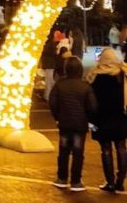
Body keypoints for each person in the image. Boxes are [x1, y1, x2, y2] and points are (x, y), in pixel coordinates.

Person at [49, 56, 97, 192]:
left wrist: (57, 117)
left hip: (64, 123)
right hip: (79, 125)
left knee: (63, 151)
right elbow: (92, 106)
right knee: (78, 153)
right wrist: (88, 119)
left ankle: (62, 178)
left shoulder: (59, 85)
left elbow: (52, 103)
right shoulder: (85, 86)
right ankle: (76, 181)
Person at [87, 48, 127, 193]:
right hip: (121, 116)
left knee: (106, 150)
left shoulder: (95, 75)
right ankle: (121, 181)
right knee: (121, 147)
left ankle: (109, 182)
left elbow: (91, 100)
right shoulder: (122, 74)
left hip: (101, 118)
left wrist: (90, 119)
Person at [41, 31, 59, 101]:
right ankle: (48, 96)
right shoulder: (51, 45)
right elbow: (53, 54)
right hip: (50, 65)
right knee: (49, 81)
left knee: (49, 80)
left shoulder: (48, 44)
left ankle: (48, 96)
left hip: (48, 64)